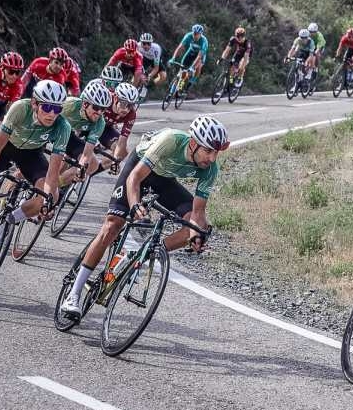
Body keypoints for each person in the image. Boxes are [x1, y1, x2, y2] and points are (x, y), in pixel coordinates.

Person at [60, 116, 229, 318]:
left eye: (216, 152)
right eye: (208, 151)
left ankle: (145, 253)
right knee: (113, 225)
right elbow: (135, 177)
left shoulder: (210, 169)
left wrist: (196, 235)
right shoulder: (170, 140)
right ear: (193, 143)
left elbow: (198, 212)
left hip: (165, 180)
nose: (212, 158)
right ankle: (74, 294)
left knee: (197, 227)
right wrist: (135, 206)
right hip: (138, 170)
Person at [0, 80, 70, 245]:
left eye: (57, 109)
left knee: (50, 196)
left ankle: (7, 221)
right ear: (34, 103)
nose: (52, 114)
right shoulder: (20, 108)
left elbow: (52, 173)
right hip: (5, 148)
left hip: (31, 155)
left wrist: (47, 202)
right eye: (47, 107)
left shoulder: (63, 127)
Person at [58, 79, 111, 187]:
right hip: (50, 129)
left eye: (103, 109)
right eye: (96, 107)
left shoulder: (100, 123)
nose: (99, 112)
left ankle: (55, 185)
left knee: (92, 164)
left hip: (67, 134)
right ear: (85, 104)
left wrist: (81, 169)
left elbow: (86, 154)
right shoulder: (70, 104)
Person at [99, 82, 141, 168]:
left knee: (123, 152)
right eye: (123, 104)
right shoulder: (106, 99)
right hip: (90, 125)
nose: (126, 109)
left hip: (105, 129)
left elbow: (122, 141)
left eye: (130, 106)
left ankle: (93, 171)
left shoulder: (131, 114)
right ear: (115, 99)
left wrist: (115, 161)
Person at [168, 24, 209, 93]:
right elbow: (180, 47)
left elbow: (199, 56)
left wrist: (192, 67)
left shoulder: (204, 41)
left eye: (197, 34)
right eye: (194, 33)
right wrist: (173, 58)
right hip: (191, 52)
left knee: (198, 68)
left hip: (200, 56)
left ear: (201, 34)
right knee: (182, 73)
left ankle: (191, 82)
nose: (195, 36)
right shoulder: (188, 36)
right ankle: (174, 91)